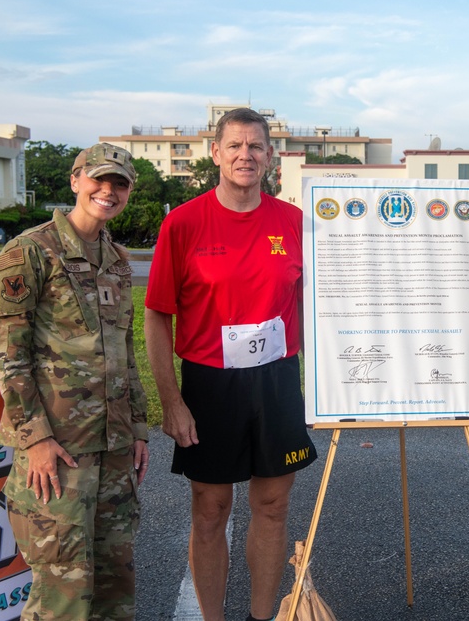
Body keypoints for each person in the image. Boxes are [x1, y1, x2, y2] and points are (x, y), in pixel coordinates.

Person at [144, 107, 315, 621]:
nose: (246, 155)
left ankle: (261, 617)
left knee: (271, 507)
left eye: (256, 146)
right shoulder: (184, 223)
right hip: (209, 385)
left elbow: (321, 304)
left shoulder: (294, 222)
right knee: (211, 510)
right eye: (235, 146)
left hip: (277, 381)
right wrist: (171, 401)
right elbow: (156, 318)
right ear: (215, 153)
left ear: (270, 156)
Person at [0, 143, 149, 620]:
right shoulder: (30, 252)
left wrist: (139, 428)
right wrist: (35, 438)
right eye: (99, 179)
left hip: (114, 447)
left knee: (113, 583)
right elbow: (9, 355)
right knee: (62, 588)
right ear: (76, 180)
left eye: (119, 184)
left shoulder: (118, 261)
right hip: (58, 450)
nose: (108, 191)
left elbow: (125, 354)